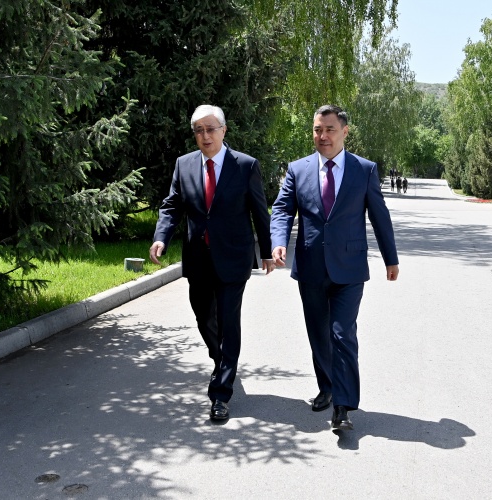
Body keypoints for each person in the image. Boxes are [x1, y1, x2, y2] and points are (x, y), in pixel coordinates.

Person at [270, 105, 399, 431]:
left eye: (329, 129)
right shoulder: (297, 170)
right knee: (319, 334)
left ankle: (343, 406)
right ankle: (327, 387)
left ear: (344, 131)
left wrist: (391, 258)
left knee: (342, 334)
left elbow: (379, 216)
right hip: (311, 267)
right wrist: (278, 242)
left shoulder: (364, 170)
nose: (323, 136)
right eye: (317, 130)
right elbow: (282, 209)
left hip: (349, 269)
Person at [150, 104, 275, 422]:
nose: (205, 136)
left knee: (229, 323)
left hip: (233, 257)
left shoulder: (245, 165)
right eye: (199, 131)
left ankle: (220, 393)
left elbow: (259, 210)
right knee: (204, 318)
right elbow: (172, 205)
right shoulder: (184, 164)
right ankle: (222, 362)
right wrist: (162, 237)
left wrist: (267, 251)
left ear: (223, 130)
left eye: (210, 129)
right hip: (198, 258)